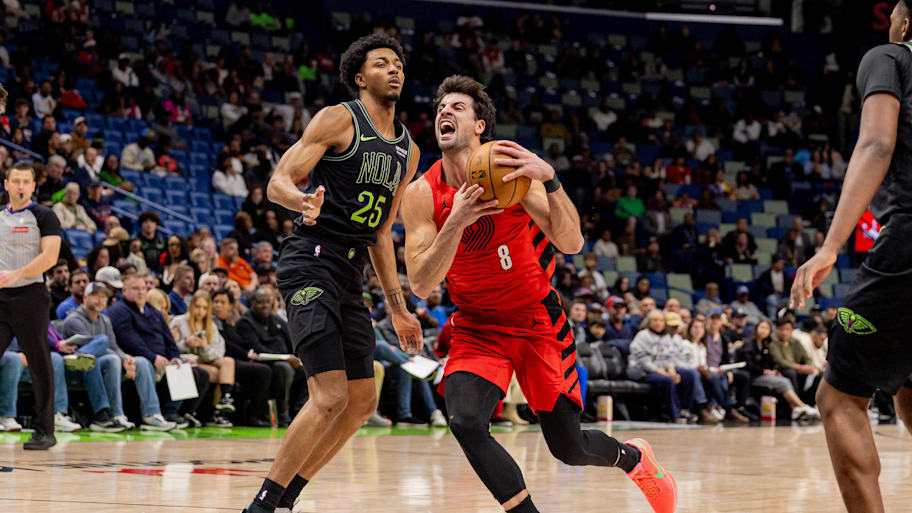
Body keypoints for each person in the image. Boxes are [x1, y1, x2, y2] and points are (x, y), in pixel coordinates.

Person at [401, 75, 675, 513]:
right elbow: (420, 283)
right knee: (466, 421)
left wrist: (550, 180)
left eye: (457, 107)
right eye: (440, 108)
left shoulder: (512, 174)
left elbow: (572, 243)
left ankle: (635, 459)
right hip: (477, 325)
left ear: (479, 126)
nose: (444, 112)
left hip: (535, 321)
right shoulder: (420, 193)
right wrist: (456, 220)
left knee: (569, 448)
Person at [242, 34, 423, 513]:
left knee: (362, 400)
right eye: (382, 63)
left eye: (398, 63)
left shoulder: (408, 150)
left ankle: (286, 497)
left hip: (350, 271)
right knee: (329, 394)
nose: (394, 69)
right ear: (360, 78)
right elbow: (277, 182)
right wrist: (301, 200)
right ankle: (261, 505)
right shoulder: (339, 118)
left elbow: (381, 233)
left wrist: (398, 309)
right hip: (311, 259)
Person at [0, 160, 64, 450]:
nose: (21, 186)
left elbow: (50, 257)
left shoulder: (45, 216)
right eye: (16, 181)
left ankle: (44, 431)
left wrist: (17, 273)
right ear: (6, 184)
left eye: (26, 181)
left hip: (31, 297)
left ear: (34, 185)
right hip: (1, 298)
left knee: (39, 364)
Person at [60, 281, 174, 431]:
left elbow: (114, 347)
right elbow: (93, 348)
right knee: (107, 350)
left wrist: (126, 358)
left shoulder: (105, 320)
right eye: (95, 295)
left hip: (104, 365)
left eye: (103, 297)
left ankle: (151, 415)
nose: (100, 300)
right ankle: (117, 414)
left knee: (141, 362)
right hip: (81, 367)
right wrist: (121, 358)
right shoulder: (74, 319)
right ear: (85, 298)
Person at [108, 273, 211, 428]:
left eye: (143, 288)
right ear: (124, 291)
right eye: (135, 288)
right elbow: (129, 340)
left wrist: (174, 357)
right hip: (137, 359)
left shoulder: (154, 312)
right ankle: (153, 415)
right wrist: (153, 357)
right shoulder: (119, 310)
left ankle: (175, 413)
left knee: (193, 370)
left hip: (160, 360)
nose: (141, 292)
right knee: (146, 364)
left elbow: (169, 340)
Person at [236, 287, 307, 427]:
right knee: (284, 369)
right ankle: (283, 416)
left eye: (267, 302)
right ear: (252, 304)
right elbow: (257, 348)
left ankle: (299, 412)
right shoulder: (245, 322)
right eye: (260, 302)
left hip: (284, 360)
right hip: (264, 362)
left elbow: (292, 341)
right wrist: (285, 358)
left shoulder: (276, 320)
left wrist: (298, 356)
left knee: (306, 369)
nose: (264, 305)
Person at [169, 290, 236, 426]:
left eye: (205, 308)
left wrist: (205, 347)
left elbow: (219, 352)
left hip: (205, 359)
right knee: (218, 374)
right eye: (197, 306)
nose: (200, 311)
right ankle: (216, 413)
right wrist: (186, 344)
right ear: (191, 305)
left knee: (229, 362)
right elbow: (170, 347)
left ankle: (225, 399)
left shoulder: (211, 325)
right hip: (186, 361)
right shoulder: (179, 321)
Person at [211, 289, 273, 427]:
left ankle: (265, 414)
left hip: (235, 361)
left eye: (222, 302)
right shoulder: (212, 324)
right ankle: (254, 416)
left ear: (230, 306)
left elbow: (240, 343)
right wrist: (247, 355)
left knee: (269, 369)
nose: (218, 305)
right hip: (223, 361)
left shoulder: (228, 324)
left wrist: (250, 354)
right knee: (263, 371)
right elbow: (226, 346)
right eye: (215, 302)